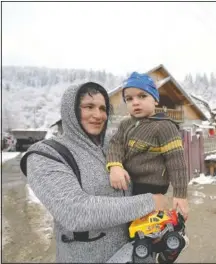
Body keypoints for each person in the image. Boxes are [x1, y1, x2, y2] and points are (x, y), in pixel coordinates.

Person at [24, 81, 167, 263]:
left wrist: (151, 224)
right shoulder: (46, 154)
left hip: (136, 254)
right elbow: (75, 212)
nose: (98, 115)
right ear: (71, 111)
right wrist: (149, 202)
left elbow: (144, 179)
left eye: (103, 108)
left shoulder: (115, 145)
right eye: (89, 107)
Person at [106, 72, 190, 262]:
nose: (135, 102)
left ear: (155, 99)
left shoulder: (165, 126)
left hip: (152, 188)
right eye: (129, 98)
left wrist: (181, 194)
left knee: (152, 231)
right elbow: (115, 145)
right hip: (129, 188)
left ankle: (169, 250)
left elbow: (176, 162)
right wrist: (115, 166)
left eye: (142, 96)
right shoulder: (125, 124)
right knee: (135, 233)